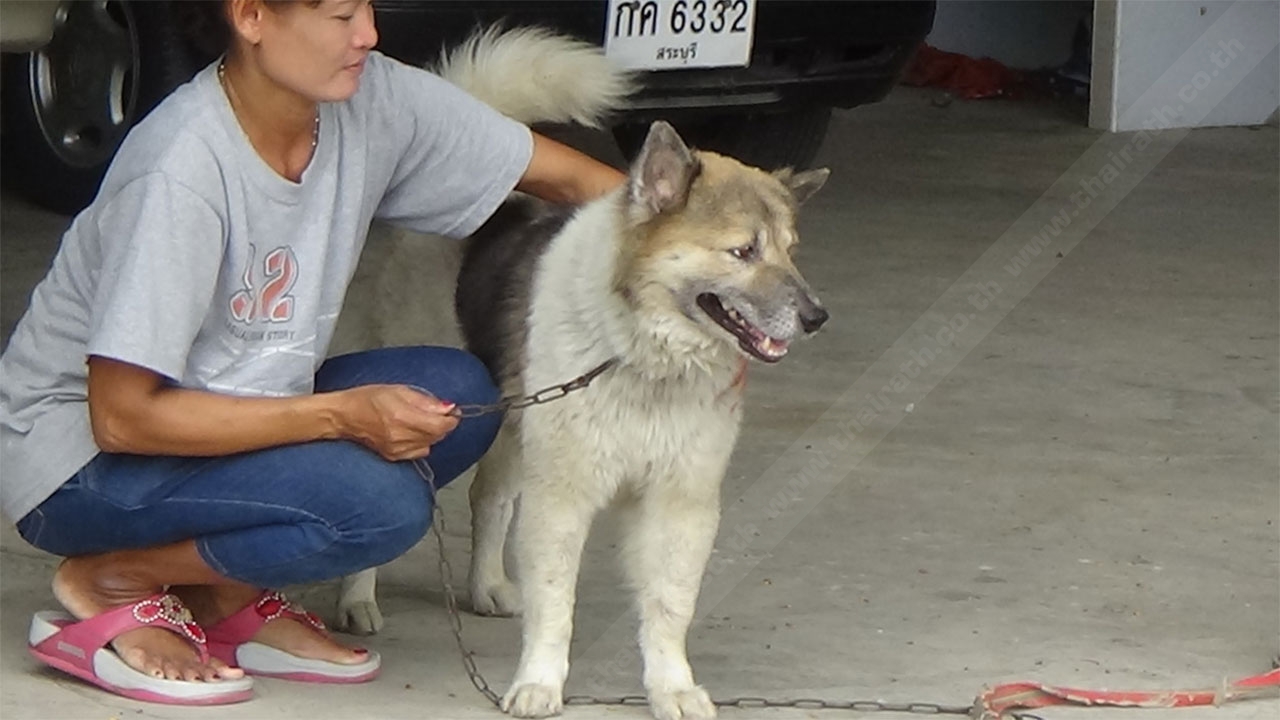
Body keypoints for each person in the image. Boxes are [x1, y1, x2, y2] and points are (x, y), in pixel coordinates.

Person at [0, 0, 624, 704]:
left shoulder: (369, 97)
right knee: (380, 506)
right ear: (252, 16)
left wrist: (694, 267)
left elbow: (565, 177)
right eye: (338, 14)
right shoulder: (180, 172)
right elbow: (121, 417)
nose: (368, 33)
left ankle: (216, 591)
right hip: (78, 465)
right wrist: (340, 417)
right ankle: (118, 575)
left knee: (458, 395)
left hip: (218, 423)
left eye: (366, 7)